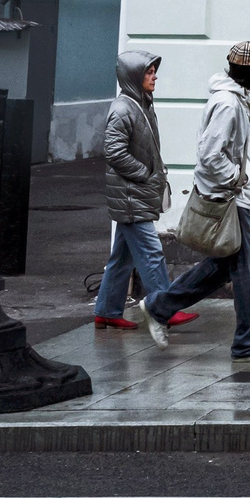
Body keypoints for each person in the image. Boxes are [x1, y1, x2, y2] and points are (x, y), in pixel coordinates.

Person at [144, 40, 250, 362]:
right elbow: (210, 155)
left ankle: (159, 306)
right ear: (244, 71)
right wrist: (239, 182)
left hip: (234, 196)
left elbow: (244, 154)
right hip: (228, 200)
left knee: (223, 267)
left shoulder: (236, 100)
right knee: (249, 273)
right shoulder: (228, 104)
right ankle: (249, 344)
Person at [90, 49, 198, 332]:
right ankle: (164, 308)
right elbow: (114, 152)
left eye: (153, 71)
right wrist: (145, 175)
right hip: (130, 195)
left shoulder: (141, 104)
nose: (154, 77)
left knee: (122, 258)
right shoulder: (123, 108)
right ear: (133, 76)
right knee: (152, 252)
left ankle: (106, 311)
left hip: (133, 193)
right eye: (148, 72)